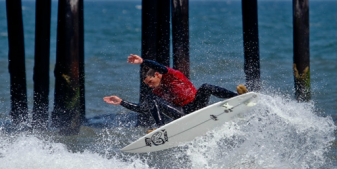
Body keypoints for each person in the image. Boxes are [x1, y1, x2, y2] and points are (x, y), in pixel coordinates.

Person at [103, 54, 248, 129]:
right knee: (151, 99)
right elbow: (142, 109)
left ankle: (239, 97)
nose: (150, 86)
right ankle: (161, 129)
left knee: (205, 87)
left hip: (197, 105)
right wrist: (121, 102)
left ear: (157, 75)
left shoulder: (172, 75)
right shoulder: (156, 94)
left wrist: (143, 62)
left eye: (150, 82)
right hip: (181, 113)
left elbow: (159, 66)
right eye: (147, 84)